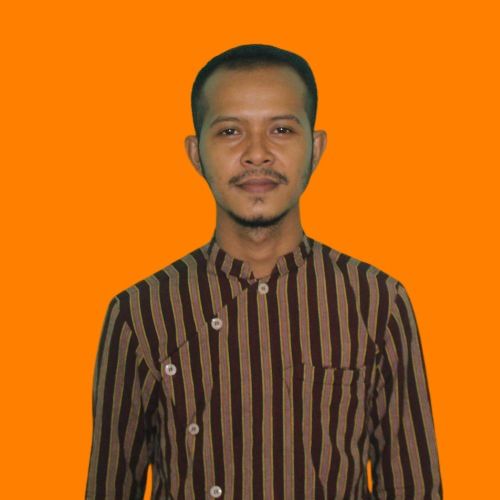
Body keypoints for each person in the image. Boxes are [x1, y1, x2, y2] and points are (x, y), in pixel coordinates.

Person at [85, 44, 443, 499]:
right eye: (230, 131)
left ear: (316, 148)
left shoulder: (376, 302)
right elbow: (110, 487)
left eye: (281, 129)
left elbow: (413, 487)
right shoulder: (141, 312)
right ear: (196, 153)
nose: (257, 154)